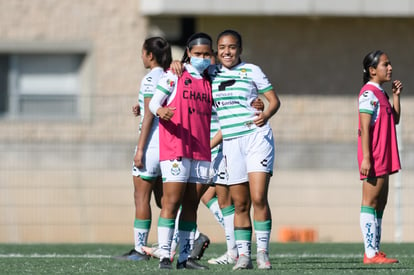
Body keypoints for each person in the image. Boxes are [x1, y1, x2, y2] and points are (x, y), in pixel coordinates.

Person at [208, 29, 281, 270]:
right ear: (216, 51)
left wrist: (265, 114)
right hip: (231, 142)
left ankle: (262, 253)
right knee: (240, 204)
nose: (226, 51)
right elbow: (187, 69)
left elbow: (274, 100)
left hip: (256, 137)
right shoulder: (211, 73)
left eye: (231, 47)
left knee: (258, 197)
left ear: (239, 49)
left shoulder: (252, 70)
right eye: (222, 47)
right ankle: (243, 256)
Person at [149, 32, 214, 270]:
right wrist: (160, 112)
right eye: (197, 54)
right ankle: (165, 255)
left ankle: (184, 258)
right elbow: (154, 102)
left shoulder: (211, 79)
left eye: (207, 54)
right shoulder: (175, 74)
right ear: (188, 53)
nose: (202, 58)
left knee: (191, 205)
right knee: (171, 202)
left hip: (201, 150)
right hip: (176, 146)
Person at [113, 37, 172, 261]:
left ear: (149, 55)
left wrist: (140, 149)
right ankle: (181, 240)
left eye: (142, 52)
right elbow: (156, 107)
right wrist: (142, 105)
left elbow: (150, 114)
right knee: (163, 200)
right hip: (166, 144)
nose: (141, 56)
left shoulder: (150, 78)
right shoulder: (169, 76)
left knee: (141, 197)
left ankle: (140, 250)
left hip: (151, 145)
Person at [358, 50, 402, 264]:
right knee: (369, 201)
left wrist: (396, 96)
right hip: (374, 155)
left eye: (390, 63)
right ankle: (370, 253)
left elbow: (395, 119)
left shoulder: (381, 93)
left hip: (385, 154)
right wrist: (366, 158)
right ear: (372, 70)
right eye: (386, 64)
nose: (390, 68)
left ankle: (375, 250)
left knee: (381, 203)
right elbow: (365, 128)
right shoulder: (368, 94)